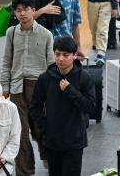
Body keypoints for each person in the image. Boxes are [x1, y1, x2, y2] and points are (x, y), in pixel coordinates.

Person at [0, 0, 52, 176]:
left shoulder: (46, 34)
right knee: (19, 132)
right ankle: (25, 171)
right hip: (16, 88)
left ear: (33, 10)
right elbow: (7, 61)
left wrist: (50, 91)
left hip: (38, 87)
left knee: (39, 129)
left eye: (26, 9)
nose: (22, 13)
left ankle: (47, 156)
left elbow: (51, 65)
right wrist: (5, 85)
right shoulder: (11, 33)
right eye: (18, 10)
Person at [29, 37, 96, 176]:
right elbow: (35, 106)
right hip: (52, 140)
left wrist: (70, 90)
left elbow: (90, 107)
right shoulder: (45, 78)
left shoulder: (84, 77)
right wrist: (44, 127)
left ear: (74, 56)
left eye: (65, 55)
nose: (60, 59)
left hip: (75, 140)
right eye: (57, 54)